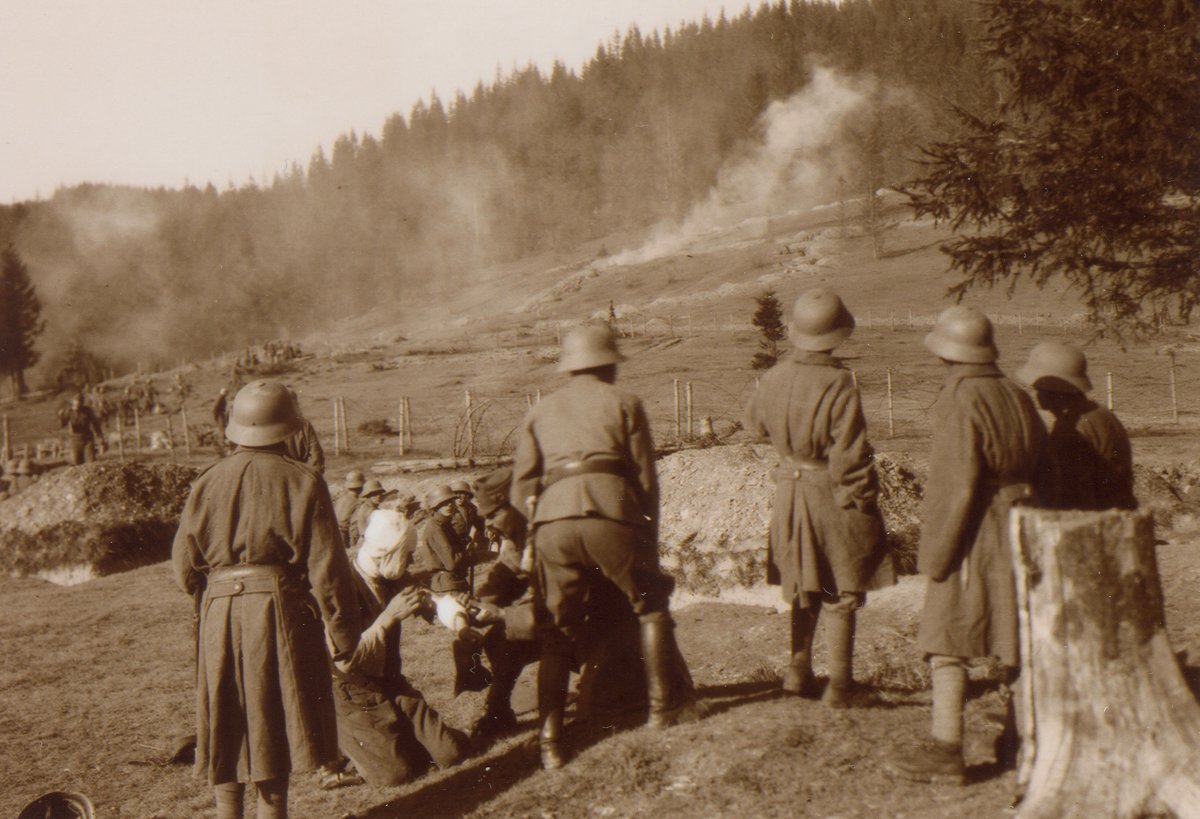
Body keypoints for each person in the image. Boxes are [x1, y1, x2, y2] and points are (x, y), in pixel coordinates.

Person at [511, 324, 701, 770]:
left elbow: (520, 488)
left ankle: (551, 742)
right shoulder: (625, 403)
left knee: (556, 634)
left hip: (552, 523)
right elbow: (646, 480)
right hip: (612, 511)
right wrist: (645, 539)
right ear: (608, 363)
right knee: (651, 607)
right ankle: (662, 710)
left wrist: (541, 524)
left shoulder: (541, 410)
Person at [172, 380, 362, 819]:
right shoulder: (303, 480)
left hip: (218, 611)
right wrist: (344, 633)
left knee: (225, 714)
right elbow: (328, 569)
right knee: (273, 717)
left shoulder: (206, 481)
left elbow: (183, 568)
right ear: (289, 428)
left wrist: (215, 599)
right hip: (279, 609)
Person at [887, 306, 1047, 785]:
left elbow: (954, 485)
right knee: (1017, 637)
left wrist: (934, 554)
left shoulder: (961, 398)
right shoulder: (1016, 394)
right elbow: (1046, 469)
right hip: (1026, 526)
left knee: (947, 638)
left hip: (976, 529)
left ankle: (946, 749)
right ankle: (1022, 740)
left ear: (946, 354)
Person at [743, 289, 895, 706]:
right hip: (829, 491)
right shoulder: (838, 382)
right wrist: (862, 499)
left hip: (789, 493)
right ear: (838, 335)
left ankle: (797, 673)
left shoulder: (773, 377)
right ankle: (842, 687)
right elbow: (850, 453)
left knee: (804, 583)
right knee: (843, 586)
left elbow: (754, 425)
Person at [327, 508, 470, 787]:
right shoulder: (338, 587)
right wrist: (389, 616)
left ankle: (394, 742)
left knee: (450, 753)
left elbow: (430, 602)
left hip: (391, 682)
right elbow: (346, 661)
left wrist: (460, 617)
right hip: (353, 691)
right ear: (387, 553)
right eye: (406, 555)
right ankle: (341, 745)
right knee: (395, 775)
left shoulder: (392, 576)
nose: (410, 561)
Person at [1015, 341, 1136, 511]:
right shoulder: (1099, 413)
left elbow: (1071, 496)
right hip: (1118, 513)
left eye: (1038, 387)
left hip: (1096, 521)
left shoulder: (1070, 429)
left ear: (1053, 390)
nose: (1034, 393)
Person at [411, 485, 471, 594]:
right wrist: (466, 553)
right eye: (443, 503)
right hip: (447, 586)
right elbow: (451, 563)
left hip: (454, 582)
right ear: (436, 506)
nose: (449, 505)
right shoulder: (436, 528)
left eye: (451, 501)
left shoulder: (445, 524)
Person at [282, 390, 325, 474]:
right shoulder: (305, 425)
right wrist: (315, 477)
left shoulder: (272, 426)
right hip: (301, 475)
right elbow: (317, 456)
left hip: (282, 476)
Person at [60, 395, 104, 465]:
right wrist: (61, 417)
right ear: (72, 403)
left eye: (79, 403)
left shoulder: (87, 411)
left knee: (91, 462)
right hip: (75, 440)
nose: (77, 406)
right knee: (76, 463)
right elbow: (62, 424)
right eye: (75, 404)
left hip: (87, 439)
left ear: (82, 403)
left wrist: (100, 436)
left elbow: (95, 424)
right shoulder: (69, 411)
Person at [333, 469, 366, 548]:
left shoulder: (340, 499)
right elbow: (354, 528)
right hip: (344, 538)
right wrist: (353, 546)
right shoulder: (359, 503)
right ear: (362, 487)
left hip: (333, 535)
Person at [212, 388, 230, 454]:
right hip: (219, 415)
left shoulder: (222, 398)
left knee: (223, 429)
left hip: (221, 414)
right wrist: (215, 417)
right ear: (224, 392)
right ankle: (223, 445)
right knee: (222, 430)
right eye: (226, 392)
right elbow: (215, 408)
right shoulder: (220, 398)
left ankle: (224, 444)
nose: (227, 394)